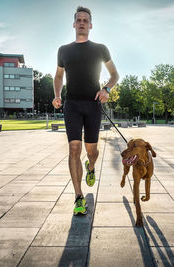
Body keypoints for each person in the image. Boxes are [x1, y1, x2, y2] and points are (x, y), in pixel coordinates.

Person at [52, 6, 119, 215]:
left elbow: (115, 75)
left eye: (85, 20)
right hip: (71, 105)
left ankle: (90, 167)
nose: (82, 22)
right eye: (78, 20)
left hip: (93, 105)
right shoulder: (64, 50)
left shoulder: (100, 49)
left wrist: (106, 89)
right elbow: (58, 76)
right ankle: (78, 197)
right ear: (74, 24)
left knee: (92, 151)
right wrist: (57, 95)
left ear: (90, 25)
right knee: (74, 149)